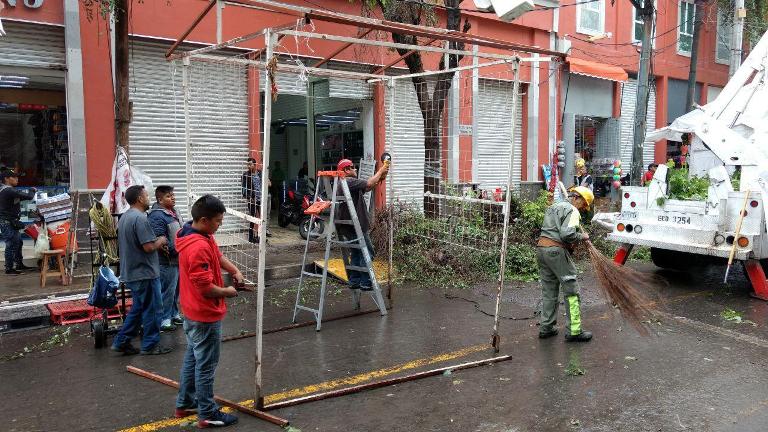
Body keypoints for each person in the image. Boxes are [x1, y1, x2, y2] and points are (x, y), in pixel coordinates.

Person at [175, 194, 243, 428]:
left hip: (191, 309)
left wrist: (234, 269)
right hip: (203, 313)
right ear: (204, 220)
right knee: (205, 365)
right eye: (217, 220)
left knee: (193, 358)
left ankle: (186, 403)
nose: (220, 224)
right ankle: (207, 413)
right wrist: (228, 291)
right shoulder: (198, 247)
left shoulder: (196, 233)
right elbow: (205, 288)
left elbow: (217, 255)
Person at [111, 185, 172, 356]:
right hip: (144, 273)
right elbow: (148, 247)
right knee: (153, 309)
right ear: (139, 199)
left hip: (132, 272)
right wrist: (161, 240)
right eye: (146, 195)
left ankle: (121, 341)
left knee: (139, 308)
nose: (148, 198)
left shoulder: (125, 217)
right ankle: (150, 345)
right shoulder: (140, 218)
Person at [536, 186, 594, 343]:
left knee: (549, 290)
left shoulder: (554, 206)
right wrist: (582, 236)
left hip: (542, 249)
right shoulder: (572, 210)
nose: (583, 209)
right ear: (578, 198)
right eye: (584, 204)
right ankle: (575, 331)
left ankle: (546, 328)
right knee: (571, 289)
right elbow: (567, 234)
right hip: (556, 251)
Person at [336, 159, 389, 290]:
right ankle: (365, 282)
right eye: (353, 167)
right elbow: (369, 182)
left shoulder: (345, 183)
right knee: (367, 251)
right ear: (346, 170)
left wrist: (381, 177)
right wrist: (381, 170)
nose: (356, 169)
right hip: (355, 225)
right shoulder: (348, 181)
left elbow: (369, 186)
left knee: (355, 252)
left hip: (347, 226)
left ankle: (355, 281)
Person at [148, 185, 183, 332]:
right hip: (167, 261)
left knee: (175, 289)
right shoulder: (157, 215)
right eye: (169, 196)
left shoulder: (173, 212)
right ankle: (164, 319)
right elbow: (160, 238)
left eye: (173, 195)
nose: (173, 197)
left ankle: (174, 313)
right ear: (160, 199)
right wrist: (176, 250)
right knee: (167, 290)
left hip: (178, 258)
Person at [0, 169, 36, 275]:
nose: (17, 179)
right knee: (11, 244)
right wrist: (32, 189)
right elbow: (29, 196)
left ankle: (19, 264)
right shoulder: (8, 190)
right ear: (6, 179)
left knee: (18, 242)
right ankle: (9, 268)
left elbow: (20, 198)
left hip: (12, 221)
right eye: (14, 177)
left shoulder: (8, 191)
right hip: (7, 222)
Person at [241, 157, 271, 243]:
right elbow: (243, 189)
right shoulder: (246, 175)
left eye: (250, 164)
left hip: (261, 200)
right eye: (248, 164)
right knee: (252, 219)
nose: (249, 166)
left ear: (255, 165)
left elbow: (269, 184)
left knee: (262, 219)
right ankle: (251, 238)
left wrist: (267, 181)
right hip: (252, 200)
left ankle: (261, 237)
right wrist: (249, 197)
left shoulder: (261, 173)